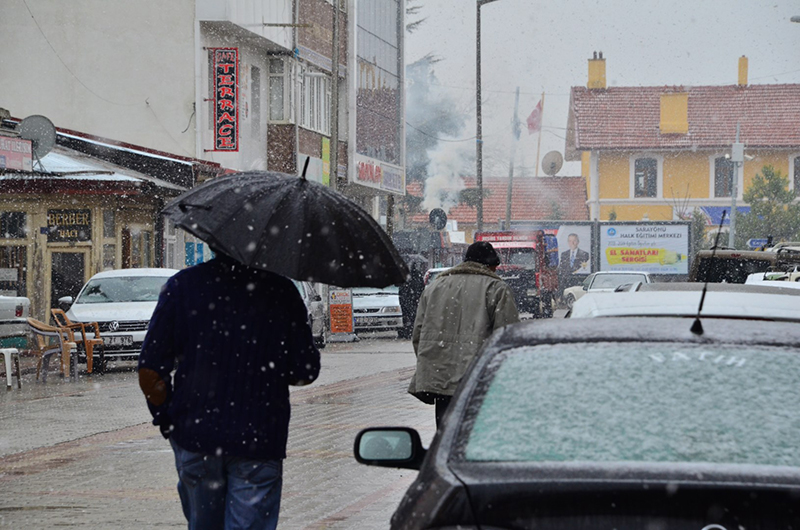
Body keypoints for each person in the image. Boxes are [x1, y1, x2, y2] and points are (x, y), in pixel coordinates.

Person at [138, 251, 320, 530]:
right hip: (259, 438)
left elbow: (150, 369)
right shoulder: (280, 291)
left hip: (196, 437)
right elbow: (305, 372)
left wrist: (167, 419)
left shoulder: (182, 287)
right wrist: (265, 364)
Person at [407, 241, 519, 427]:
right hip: (479, 382)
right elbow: (508, 338)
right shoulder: (496, 289)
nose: (496, 272)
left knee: (446, 438)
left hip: (441, 381)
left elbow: (418, 334)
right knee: (477, 439)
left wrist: (435, 363)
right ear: (490, 265)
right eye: (495, 267)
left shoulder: (435, 287)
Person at [398, 257, 426, 339]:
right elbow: (421, 288)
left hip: (408, 300)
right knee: (414, 317)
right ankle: (411, 332)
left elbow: (401, 289)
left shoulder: (406, 276)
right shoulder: (417, 275)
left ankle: (407, 332)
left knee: (407, 316)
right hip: (413, 300)